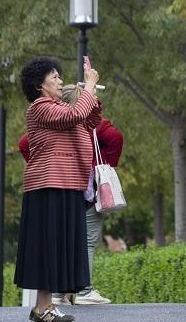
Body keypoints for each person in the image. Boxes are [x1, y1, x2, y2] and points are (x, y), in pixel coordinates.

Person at [17, 84, 124, 306]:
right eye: (54, 76)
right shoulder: (70, 118)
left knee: (65, 240)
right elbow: (115, 137)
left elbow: (25, 143)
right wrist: (103, 163)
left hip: (68, 186)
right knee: (85, 240)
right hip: (82, 190)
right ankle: (83, 290)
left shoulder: (58, 123)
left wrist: (43, 160)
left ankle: (59, 292)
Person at [14, 57, 101, 322]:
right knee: (48, 248)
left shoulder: (58, 107)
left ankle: (44, 308)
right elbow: (75, 115)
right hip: (48, 184)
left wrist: (91, 95)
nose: (60, 81)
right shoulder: (39, 108)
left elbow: (89, 120)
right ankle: (42, 309)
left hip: (65, 182)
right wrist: (87, 87)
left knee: (55, 247)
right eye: (54, 78)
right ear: (40, 86)